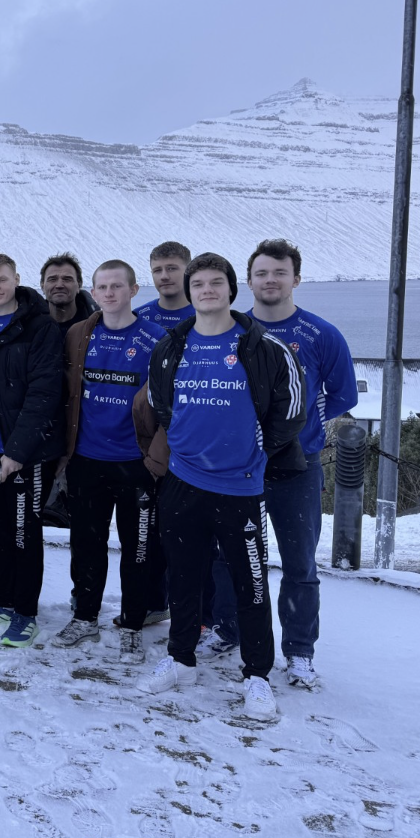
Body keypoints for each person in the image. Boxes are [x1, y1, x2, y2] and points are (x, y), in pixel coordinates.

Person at [135, 252, 305, 722]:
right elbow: (161, 405)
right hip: (183, 482)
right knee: (184, 577)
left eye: (215, 283)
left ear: (232, 289)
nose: (207, 290)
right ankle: (180, 660)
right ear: (189, 292)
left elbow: (291, 411)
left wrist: (257, 450)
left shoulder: (263, 346)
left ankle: (257, 675)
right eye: (199, 284)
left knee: (250, 584)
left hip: (240, 486)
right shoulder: (171, 345)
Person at [238, 239, 353, 689]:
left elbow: (342, 394)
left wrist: (304, 426)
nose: (270, 280)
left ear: (296, 279)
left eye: (279, 273)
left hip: (298, 467)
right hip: (238, 466)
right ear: (249, 281)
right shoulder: (230, 329)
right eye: (262, 273)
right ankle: (226, 631)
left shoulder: (321, 334)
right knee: (229, 557)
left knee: (300, 564)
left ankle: (299, 651)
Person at [52, 260, 165, 664]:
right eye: (103, 287)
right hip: (86, 460)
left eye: (118, 286)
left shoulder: (156, 338)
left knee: (138, 548)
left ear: (134, 290)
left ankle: (132, 624)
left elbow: (170, 404)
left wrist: (157, 458)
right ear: (93, 292)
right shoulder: (79, 334)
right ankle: (85, 617)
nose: (110, 293)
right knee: (86, 545)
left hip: (136, 463)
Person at [0, 253, 66, 648]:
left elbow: (43, 394)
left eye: (2, 280)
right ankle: (3, 601)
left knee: (24, 533)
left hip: (22, 454)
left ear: (16, 279)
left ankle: (25, 612)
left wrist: (18, 451)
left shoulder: (38, 327)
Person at [135, 241, 196, 329]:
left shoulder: (208, 316)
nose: (164, 276)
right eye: (157, 270)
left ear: (189, 271)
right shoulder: (137, 318)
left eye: (171, 269)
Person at [41, 253, 96, 337]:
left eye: (67, 279)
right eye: (52, 279)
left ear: (79, 285)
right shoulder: (27, 328)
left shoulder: (99, 326)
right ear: (42, 286)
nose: (59, 285)